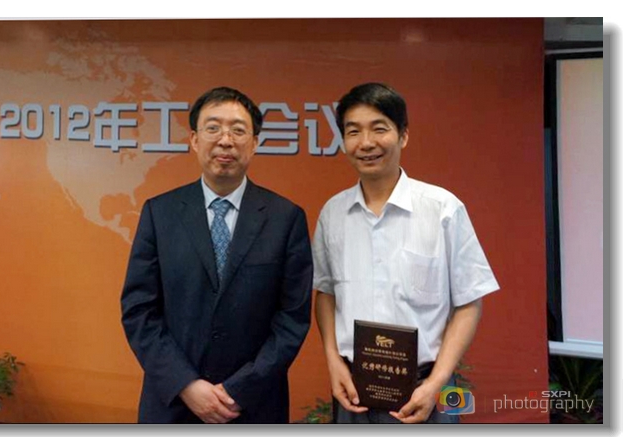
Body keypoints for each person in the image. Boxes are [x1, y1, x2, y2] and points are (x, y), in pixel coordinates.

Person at [121, 86, 313, 424]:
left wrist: (241, 389)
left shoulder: (286, 218)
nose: (225, 140)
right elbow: (139, 310)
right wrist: (186, 384)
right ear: (194, 140)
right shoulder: (160, 213)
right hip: (173, 404)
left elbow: (292, 319)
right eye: (213, 128)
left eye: (238, 130)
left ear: (255, 143)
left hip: (253, 407)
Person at [313, 82, 499, 424]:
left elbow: (469, 302)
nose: (366, 143)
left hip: (427, 387)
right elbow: (325, 293)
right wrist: (332, 360)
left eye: (379, 128)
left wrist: (437, 382)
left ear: (403, 135)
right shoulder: (333, 214)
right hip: (354, 390)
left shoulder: (442, 209)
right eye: (353, 131)